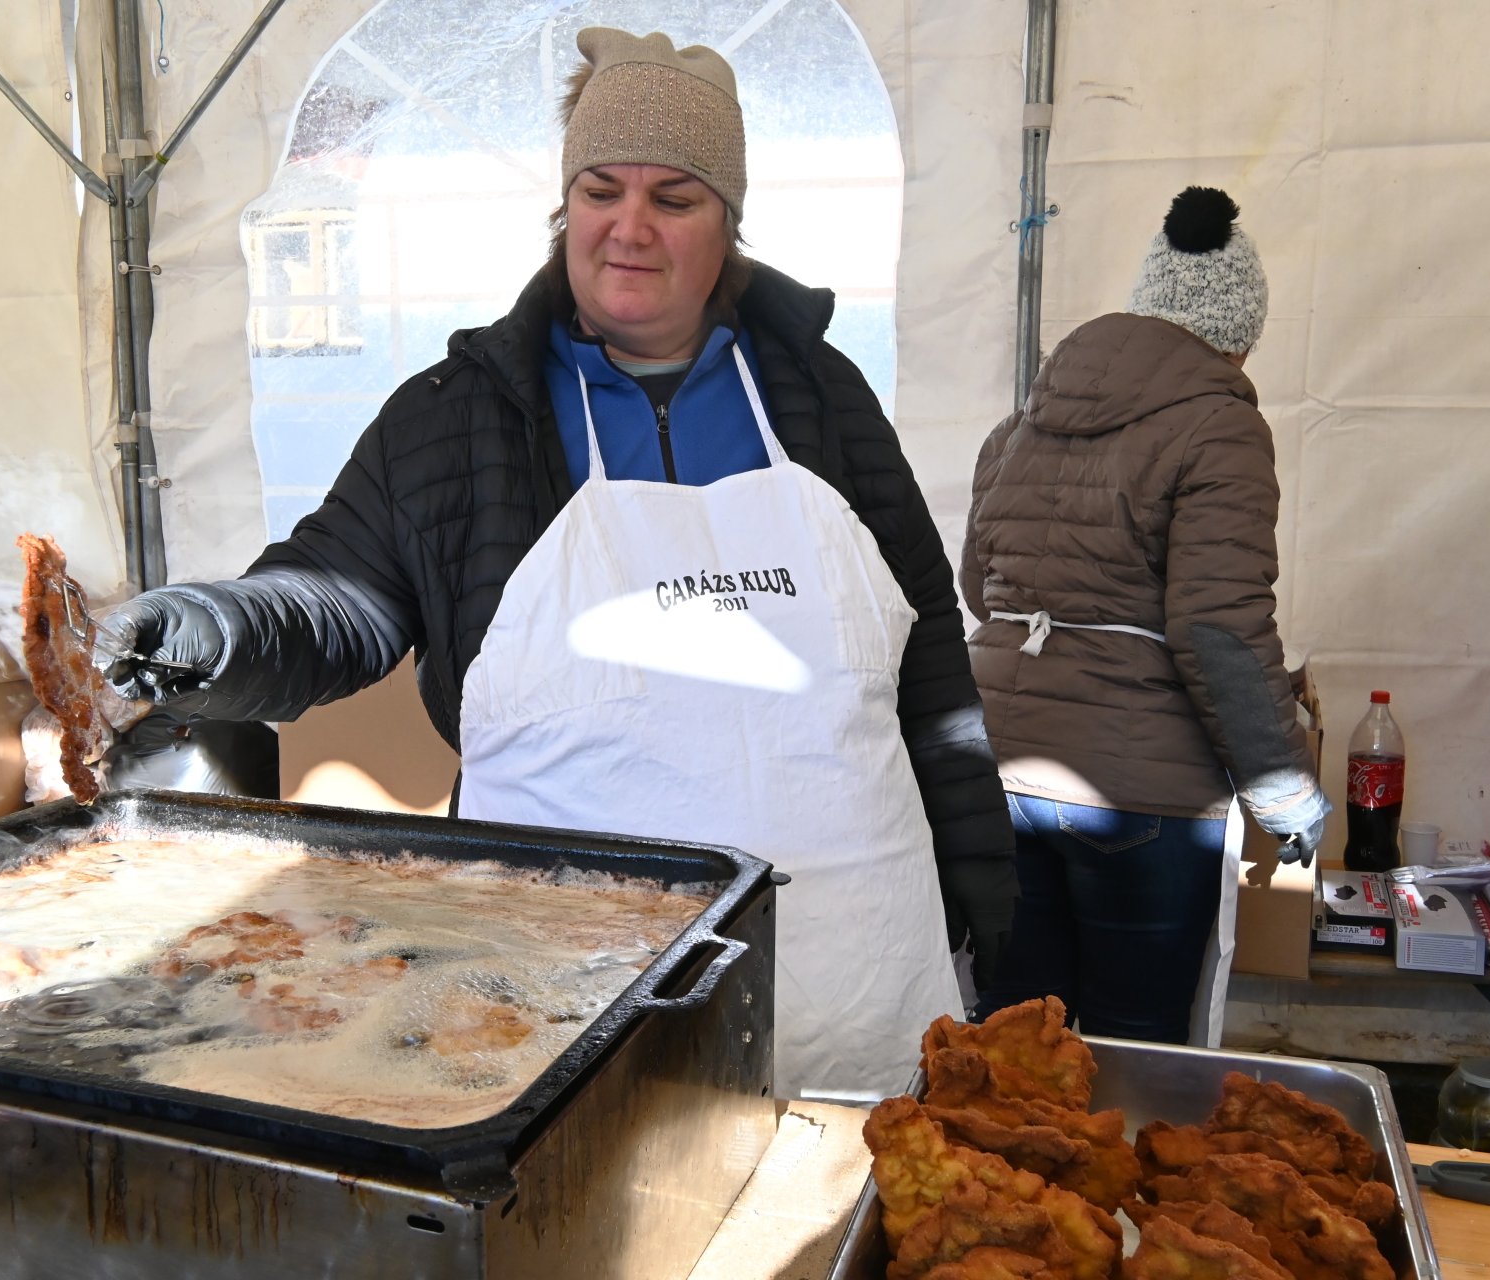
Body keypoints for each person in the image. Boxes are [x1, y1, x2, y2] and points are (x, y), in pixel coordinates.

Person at [102, 27, 1016, 1097]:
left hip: (849, 983)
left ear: (729, 224)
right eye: (600, 188)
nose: (630, 226)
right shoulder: (457, 420)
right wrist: (213, 630)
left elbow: (929, 664)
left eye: (675, 197)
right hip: (564, 1004)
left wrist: (983, 895)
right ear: (564, 205)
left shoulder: (824, 400)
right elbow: (334, 594)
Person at [959, 186, 1328, 1044]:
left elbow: (984, 594)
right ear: (1236, 341)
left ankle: (988, 1178)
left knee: (1012, 1050)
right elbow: (1218, 627)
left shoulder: (1021, 424)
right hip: (1138, 802)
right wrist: (1283, 792)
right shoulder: (1220, 427)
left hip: (997, 775)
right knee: (1133, 1055)